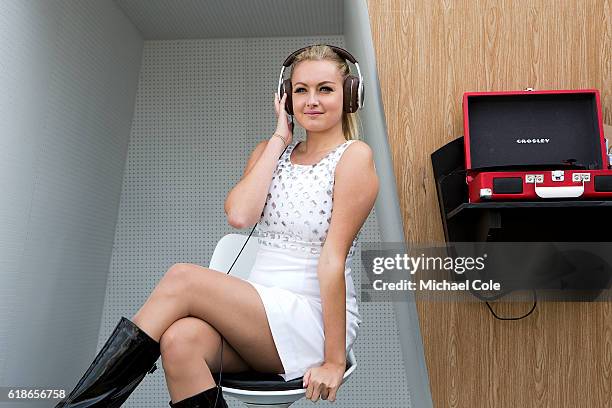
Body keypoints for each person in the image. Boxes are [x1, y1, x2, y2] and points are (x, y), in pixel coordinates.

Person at [54, 44, 379, 408]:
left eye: (325, 89)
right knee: (179, 341)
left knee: (183, 278)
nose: (311, 100)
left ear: (350, 94)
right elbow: (240, 215)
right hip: (258, 316)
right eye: (300, 90)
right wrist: (279, 140)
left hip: (310, 319)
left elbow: (332, 262)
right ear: (286, 98)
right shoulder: (270, 152)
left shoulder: (354, 158)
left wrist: (334, 360)